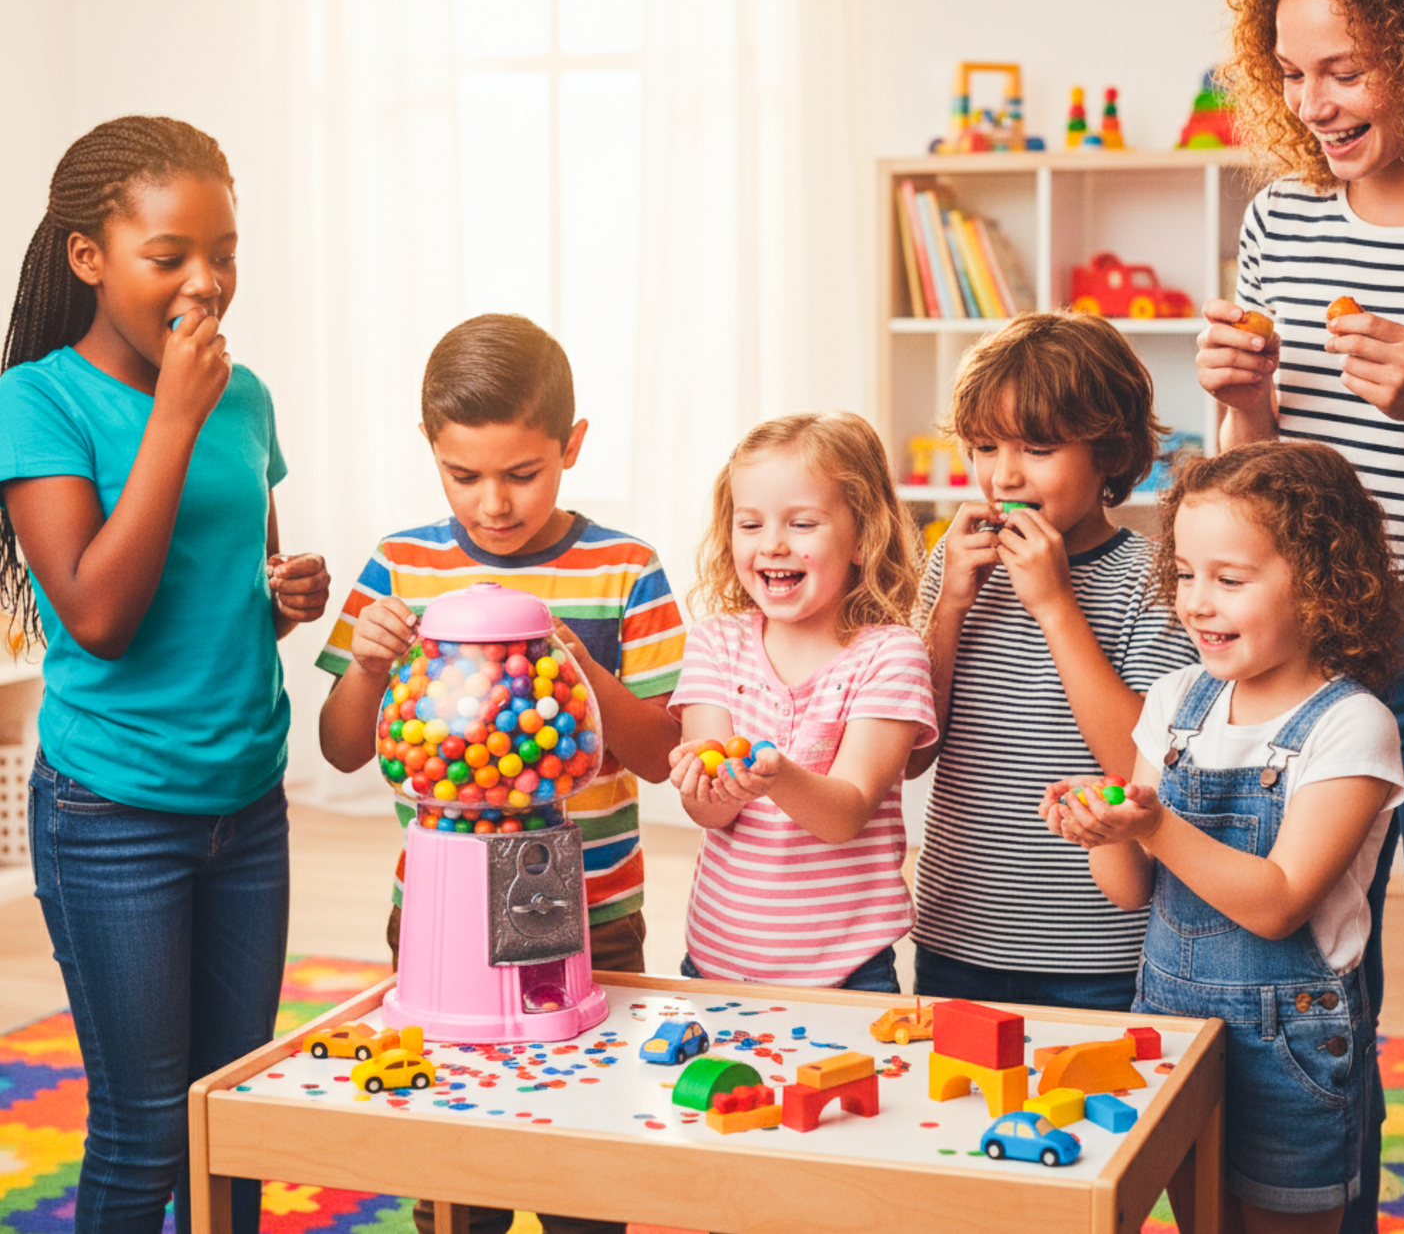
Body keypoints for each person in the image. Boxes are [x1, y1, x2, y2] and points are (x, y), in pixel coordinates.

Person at [0, 116, 330, 1234]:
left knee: (228, 1117)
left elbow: (235, 576)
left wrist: (281, 592)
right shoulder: (40, 400)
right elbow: (96, 614)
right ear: (89, 257)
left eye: (224, 251)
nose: (208, 282)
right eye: (171, 255)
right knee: (144, 1128)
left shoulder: (246, 395)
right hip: (114, 814)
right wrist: (173, 420)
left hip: (248, 799)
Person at [316, 312, 685, 1234]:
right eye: (463, 474)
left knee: (586, 1172)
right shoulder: (401, 566)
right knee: (455, 1167)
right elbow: (343, 748)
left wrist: (572, 663)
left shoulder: (624, 570)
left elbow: (660, 751)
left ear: (572, 445)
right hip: (437, 920)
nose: (492, 503)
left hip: (594, 917)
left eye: (522, 474)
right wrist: (367, 663)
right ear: (429, 449)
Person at [1195, 0, 1404, 1231]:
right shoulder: (1282, 221)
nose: (1317, 102)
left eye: (1345, 67)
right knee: (1299, 985)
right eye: (1293, 72)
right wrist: (1238, 401)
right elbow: (1258, 465)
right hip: (1312, 640)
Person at [1043, 441, 1404, 1233]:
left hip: (1293, 1048)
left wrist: (1154, 823)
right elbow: (1130, 888)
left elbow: (1276, 904)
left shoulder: (1352, 725)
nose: (1194, 603)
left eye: (1228, 579)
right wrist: (1099, 825)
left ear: (1322, 586)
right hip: (1171, 1022)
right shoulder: (1176, 699)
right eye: (1183, 574)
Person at [908, 311, 1198, 1010]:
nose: (1002, 474)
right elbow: (913, 750)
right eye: (982, 446)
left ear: (1109, 451)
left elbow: (1138, 764)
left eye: (1036, 447)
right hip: (955, 930)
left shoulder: (1154, 576)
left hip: (1096, 948)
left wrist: (1054, 607)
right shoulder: (952, 562)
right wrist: (947, 607)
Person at [667, 411, 936, 991]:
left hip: (847, 973)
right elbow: (711, 813)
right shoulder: (715, 642)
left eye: (802, 523)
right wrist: (701, 784)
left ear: (864, 537)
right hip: (715, 964)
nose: (773, 545)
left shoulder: (891, 655)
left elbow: (847, 813)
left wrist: (776, 775)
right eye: (750, 524)